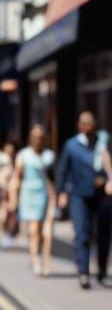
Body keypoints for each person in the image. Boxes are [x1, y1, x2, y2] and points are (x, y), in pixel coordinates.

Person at [55, 111, 112, 289]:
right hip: (79, 195)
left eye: (91, 125)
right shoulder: (71, 145)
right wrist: (61, 192)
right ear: (80, 126)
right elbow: (63, 170)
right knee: (82, 234)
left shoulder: (103, 142)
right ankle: (83, 272)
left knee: (104, 234)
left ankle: (102, 270)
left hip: (102, 195)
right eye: (85, 125)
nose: (88, 129)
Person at [10, 125, 55, 277]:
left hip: (45, 195)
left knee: (46, 233)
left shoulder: (49, 156)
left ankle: (45, 260)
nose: (38, 140)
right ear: (30, 139)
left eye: (41, 137)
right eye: (35, 137)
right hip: (29, 194)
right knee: (33, 230)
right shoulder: (23, 155)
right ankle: (35, 260)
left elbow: (54, 179)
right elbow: (17, 177)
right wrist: (13, 198)